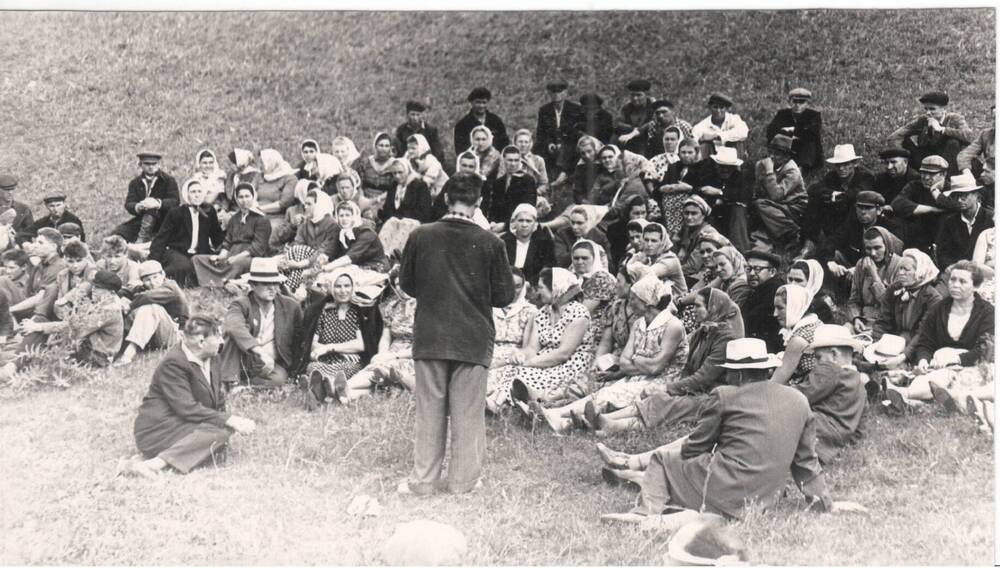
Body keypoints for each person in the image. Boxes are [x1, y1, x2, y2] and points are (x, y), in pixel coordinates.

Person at [599, 337, 835, 522]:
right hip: (764, 497)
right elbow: (806, 463)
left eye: (728, 372)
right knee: (684, 470)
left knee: (663, 459)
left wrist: (707, 452)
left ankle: (645, 514)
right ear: (765, 369)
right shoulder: (799, 400)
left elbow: (695, 447)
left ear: (737, 373)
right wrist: (826, 503)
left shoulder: (725, 395)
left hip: (726, 489)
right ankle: (651, 487)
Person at [397, 174, 516, 495]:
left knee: (429, 413)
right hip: (472, 339)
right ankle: (464, 483)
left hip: (431, 336)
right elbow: (505, 296)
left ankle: (422, 482)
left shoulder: (420, 235)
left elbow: (407, 285)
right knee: (467, 415)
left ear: (446, 199)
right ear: (478, 204)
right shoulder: (492, 243)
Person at [532, 274, 686, 434]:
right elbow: (625, 363)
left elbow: (656, 367)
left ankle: (558, 418)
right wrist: (640, 363)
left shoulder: (673, 325)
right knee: (601, 393)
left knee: (611, 394)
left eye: (634, 299)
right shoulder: (639, 323)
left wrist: (635, 359)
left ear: (646, 302)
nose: (630, 302)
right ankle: (558, 416)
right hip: (639, 376)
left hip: (664, 381)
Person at [587, 287, 743, 434]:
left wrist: (668, 388)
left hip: (715, 394)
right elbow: (687, 368)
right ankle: (605, 421)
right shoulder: (701, 333)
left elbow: (704, 377)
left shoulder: (725, 339)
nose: (693, 310)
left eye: (698, 306)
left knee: (671, 404)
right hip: (696, 389)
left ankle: (612, 424)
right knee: (660, 398)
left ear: (713, 309)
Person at [126, 316, 256, 480]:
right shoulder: (173, 363)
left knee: (220, 439)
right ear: (202, 342)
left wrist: (225, 423)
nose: (222, 341)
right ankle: (150, 465)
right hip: (158, 429)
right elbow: (186, 408)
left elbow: (218, 399)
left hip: (182, 423)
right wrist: (229, 420)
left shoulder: (214, 357)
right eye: (218, 336)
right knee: (219, 435)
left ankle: (146, 461)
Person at [885, 261, 995, 416]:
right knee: (934, 377)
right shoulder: (939, 308)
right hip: (939, 365)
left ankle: (905, 395)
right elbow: (925, 342)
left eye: (962, 281)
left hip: (971, 366)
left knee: (946, 377)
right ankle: (911, 401)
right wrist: (923, 359)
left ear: (975, 286)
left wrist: (956, 358)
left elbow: (984, 349)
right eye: (952, 279)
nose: (955, 285)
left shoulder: (988, 313)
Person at [499, 267, 593, 405]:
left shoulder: (578, 312)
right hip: (546, 360)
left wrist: (529, 363)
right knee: (513, 368)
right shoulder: (543, 312)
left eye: (541, 287)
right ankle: (499, 400)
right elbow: (532, 348)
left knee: (523, 372)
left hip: (570, 364)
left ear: (555, 287)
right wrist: (521, 356)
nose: (538, 292)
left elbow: (563, 353)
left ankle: (502, 401)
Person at [218, 258, 302, 389]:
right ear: (253, 285)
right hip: (245, 358)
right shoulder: (241, 304)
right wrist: (259, 352)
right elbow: (233, 325)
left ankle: (244, 387)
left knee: (279, 379)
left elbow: (300, 337)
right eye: (266, 283)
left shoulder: (290, 306)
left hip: (271, 363)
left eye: (275, 283)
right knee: (232, 335)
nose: (272, 288)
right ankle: (230, 381)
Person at [18, 270, 124, 368]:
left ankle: (18, 361)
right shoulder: (107, 301)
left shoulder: (109, 310)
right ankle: (20, 358)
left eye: (99, 288)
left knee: (40, 328)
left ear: (112, 292)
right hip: (90, 348)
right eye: (94, 286)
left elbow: (75, 329)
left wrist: (39, 327)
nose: (94, 290)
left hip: (97, 357)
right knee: (40, 329)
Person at [793, 324, 866, 464]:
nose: (815, 363)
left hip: (816, 429)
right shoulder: (860, 383)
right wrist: (851, 441)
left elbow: (800, 395)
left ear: (834, 354)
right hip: (835, 439)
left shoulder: (829, 370)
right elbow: (861, 425)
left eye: (818, 357)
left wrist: (781, 392)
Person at [301, 269, 369, 401]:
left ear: (353, 287)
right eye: (338, 286)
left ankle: (321, 389)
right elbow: (314, 344)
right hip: (326, 360)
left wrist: (328, 348)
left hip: (349, 361)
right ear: (332, 288)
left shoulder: (357, 312)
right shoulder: (325, 312)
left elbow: (360, 345)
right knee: (313, 367)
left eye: (347, 286)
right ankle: (326, 389)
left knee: (344, 370)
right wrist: (342, 349)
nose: (343, 291)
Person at [191, 182, 271, 288]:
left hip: (249, 257)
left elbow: (258, 247)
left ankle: (223, 283)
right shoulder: (234, 218)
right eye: (241, 197)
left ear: (253, 197)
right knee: (197, 259)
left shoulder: (262, 219)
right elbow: (228, 242)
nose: (244, 200)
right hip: (231, 255)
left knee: (238, 264)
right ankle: (217, 281)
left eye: (247, 196)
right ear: (236, 199)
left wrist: (236, 258)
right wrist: (220, 257)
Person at [800, 144, 875, 254]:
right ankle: (809, 243)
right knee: (815, 201)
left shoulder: (865, 176)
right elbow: (814, 189)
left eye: (845, 164)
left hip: (855, 219)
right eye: (838, 165)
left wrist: (839, 197)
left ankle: (838, 245)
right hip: (834, 217)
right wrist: (832, 193)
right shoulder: (832, 176)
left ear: (854, 164)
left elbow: (859, 193)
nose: (841, 168)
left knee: (856, 205)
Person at [149, 180, 224, 288]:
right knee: (184, 267)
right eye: (193, 192)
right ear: (187, 195)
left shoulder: (209, 211)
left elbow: (217, 236)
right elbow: (161, 239)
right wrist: (152, 262)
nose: (197, 195)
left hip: (199, 253)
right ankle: (162, 278)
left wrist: (222, 253)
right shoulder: (176, 212)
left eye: (199, 191)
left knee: (215, 265)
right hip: (177, 251)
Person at [116, 260, 189, 366]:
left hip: (174, 335)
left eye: (155, 277)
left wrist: (130, 305)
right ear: (142, 281)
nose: (152, 282)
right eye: (147, 280)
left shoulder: (170, 287)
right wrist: (121, 299)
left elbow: (146, 297)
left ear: (163, 274)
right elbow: (125, 291)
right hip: (154, 337)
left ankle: (128, 354)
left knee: (151, 307)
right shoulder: (145, 288)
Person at [484, 269, 538, 412]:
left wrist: (515, 356)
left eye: (518, 286)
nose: (513, 290)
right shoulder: (487, 307)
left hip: (511, 357)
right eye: (508, 285)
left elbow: (527, 347)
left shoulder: (530, 311)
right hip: (487, 351)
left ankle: (492, 402)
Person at [820, 190, 905, 276]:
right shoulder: (853, 224)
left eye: (868, 208)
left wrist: (859, 269)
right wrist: (830, 261)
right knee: (832, 257)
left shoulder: (891, 227)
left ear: (878, 210)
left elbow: (892, 257)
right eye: (860, 207)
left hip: (879, 272)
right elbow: (831, 241)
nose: (863, 212)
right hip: (852, 268)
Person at [888, 91, 973, 174]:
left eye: (932, 109)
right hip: (925, 159)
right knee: (905, 141)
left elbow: (969, 136)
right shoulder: (923, 120)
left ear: (943, 109)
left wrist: (943, 129)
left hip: (948, 160)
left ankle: (946, 179)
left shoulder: (955, 119)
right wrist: (899, 157)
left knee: (953, 143)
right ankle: (912, 174)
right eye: (926, 109)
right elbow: (895, 136)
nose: (928, 113)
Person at [890, 155, 961, 253]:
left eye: (932, 174)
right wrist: (932, 210)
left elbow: (956, 206)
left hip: (944, 239)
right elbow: (897, 203)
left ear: (943, 174)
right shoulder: (915, 186)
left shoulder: (952, 189)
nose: (926, 177)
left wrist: (934, 191)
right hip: (919, 237)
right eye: (923, 173)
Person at [872, 248, 943, 343]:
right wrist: (876, 343)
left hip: (916, 345)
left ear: (920, 273)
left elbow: (922, 334)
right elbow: (883, 322)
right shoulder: (894, 289)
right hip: (892, 339)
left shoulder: (933, 299)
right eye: (900, 268)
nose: (900, 273)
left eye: (906, 270)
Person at [753, 134, 807, 251]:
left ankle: (791, 232)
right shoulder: (763, 164)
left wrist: (769, 172)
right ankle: (775, 233)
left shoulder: (792, 170)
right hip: (776, 204)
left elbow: (776, 195)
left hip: (795, 206)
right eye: (770, 152)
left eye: (777, 154)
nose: (771, 157)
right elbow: (758, 190)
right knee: (757, 204)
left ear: (786, 156)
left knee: (760, 204)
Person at [846, 227, 905, 334]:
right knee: (842, 332)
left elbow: (889, 305)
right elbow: (854, 300)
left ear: (887, 246)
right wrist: (856, 318)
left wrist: (874, 275)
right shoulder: (861, 264)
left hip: (886, 323)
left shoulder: (899, 266)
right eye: (868, 248)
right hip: (863, 320)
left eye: (877, 248)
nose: (873, 253)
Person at [113, 151, 178, 244]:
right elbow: (129, 203)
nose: (151, 167)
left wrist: (158, 203)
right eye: (147, 164)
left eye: (154, 164)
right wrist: (138, 206)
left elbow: (175, 201)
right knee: (119, 232)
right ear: (140, 164)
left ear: (159, 165)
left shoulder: (168, 181)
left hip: (163, 220)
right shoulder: (135, 183)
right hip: (141, 219)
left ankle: (141, 241)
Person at [935, 172, 994, 271]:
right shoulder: (950, 222)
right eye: (955, 196)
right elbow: (943, 253)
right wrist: (949, 267)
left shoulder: (991, 218)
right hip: (957, 272)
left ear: (976, 195)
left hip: (985, 272)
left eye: (964, 195)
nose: (959, 200)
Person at [695, 147, 751, 252]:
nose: (724, 170)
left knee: (738, 209)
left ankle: (740, 252)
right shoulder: (709, 176)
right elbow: (698, 189)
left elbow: (744, 195)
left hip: (732, 216)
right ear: (716, 165)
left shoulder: (740, 177)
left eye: (728, 167)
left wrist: (718, 192)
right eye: (721, 166)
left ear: (734, 167)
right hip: (712, 214)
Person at [651, 138, 704, 236]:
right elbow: (659, 189)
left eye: (690, 152)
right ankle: (671, 233)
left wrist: (688, 188)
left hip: (693, 203)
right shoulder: (674, 166)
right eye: (683, 152)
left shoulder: (702, 167)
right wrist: (665, 188)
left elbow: (704, 190)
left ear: (696, 153)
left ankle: (677, 234)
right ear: (679, 153)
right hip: (670, 205)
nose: (686, 155)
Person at [771, 284, 822, 385]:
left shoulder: (799, 339)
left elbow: (778, 380)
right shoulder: (814, 322)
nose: (775, 314)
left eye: (780, 308)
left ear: (794, 307)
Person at [10, 229, 67, 320]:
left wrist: (10, 309)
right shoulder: (40, 264)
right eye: (35, 242)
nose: (35, 246)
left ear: (53, 246)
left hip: (41, 313)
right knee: (4, 282)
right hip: (28, 306)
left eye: (40, 243)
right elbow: (26, 292)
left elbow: (40, 298)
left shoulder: (58, 267)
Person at [765, 87, 824, 173]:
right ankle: (779, 166)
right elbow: (771, 132)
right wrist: (797, 134)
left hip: (805, 153)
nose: (797, 105)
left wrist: (786, 131)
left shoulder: (813, 115)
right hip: (787, 148)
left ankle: (801, 169)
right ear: (790, 102)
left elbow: (811, 134)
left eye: (801, 102)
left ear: (807, 103)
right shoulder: (782, 114)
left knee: (809, 143)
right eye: (795, 101)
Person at [534, 80, 583, 179]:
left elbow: (578, 130)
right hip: (552, 143)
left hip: (569, 142)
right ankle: (541, 176)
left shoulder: (575, 109)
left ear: (565, 93)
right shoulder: (544, 110)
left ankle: (564, 175)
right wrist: (549, 143)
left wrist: (563, 142)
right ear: (549, 94)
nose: (556, 95)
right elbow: (541, 132)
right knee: (536, 148)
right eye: (553, 92)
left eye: (559, 92)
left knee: (571, 148)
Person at [321, 201, 388, 273]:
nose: (344, 219)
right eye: (341, 215)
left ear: (354, 216)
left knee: (338, 274)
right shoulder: (341, 232)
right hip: (356, 266)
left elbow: (350, 257)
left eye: (348, 215)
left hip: (376, 267)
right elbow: (330, 250)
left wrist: (326, 268)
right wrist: (321, 260)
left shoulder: (366, 233)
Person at [674, 196, 725, 286]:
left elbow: (693, 266)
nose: (689, 217)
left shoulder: (707, 233)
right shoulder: (688, 228)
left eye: (694, 213)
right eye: (686, 213)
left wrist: (670, 271)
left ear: (703, 215)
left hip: (710, 274)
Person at [254, 149, 299, 247]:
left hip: (277, 216)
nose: (260, 165)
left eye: (262, 162)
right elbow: (251, 193)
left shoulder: (290, 178)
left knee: (269, 229)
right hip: (256, 212)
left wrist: (259, 209)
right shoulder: (260, 176)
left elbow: (283, 204)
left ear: (271, 163)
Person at [485, 146, 539, 227]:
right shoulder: (498, 182)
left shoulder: (528, 181)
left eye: (516, 160)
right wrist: (492, 221)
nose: (513, 164)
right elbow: (494, 207)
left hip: (519, 225)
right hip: (497, 225)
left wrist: (505, 225)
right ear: (503, 160)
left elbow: (527, 209)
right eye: (510, 160)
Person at [501, 203, 554, 285]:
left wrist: (531, 283)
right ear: (514, 222)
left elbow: (547, 270)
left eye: (528, 221)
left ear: (535, 224)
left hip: (532, 286)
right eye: (520, 220)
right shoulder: (503, 242)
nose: (524, 225)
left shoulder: (544, 243)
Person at [743, 250, 784, 351]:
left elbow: (750, 320)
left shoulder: (775, 290)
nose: (752, 273)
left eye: (757, 269)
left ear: (772, 272)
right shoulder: (759, 289)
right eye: (749, 269)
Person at [690, 92, 749, 158]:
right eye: (715, 107)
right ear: (710, 107)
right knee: (705, 146)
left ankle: (736, 168)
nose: (718, 110)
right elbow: (693, 143)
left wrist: (716, 136)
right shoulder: (701, 126)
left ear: (726, 109)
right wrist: (702, 141)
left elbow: (744, 132)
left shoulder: (734, 119)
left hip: (732, 159)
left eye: (721, 107)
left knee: (738, 142)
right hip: (712, 159)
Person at [453, 87, 510, 155]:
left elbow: (504, 143)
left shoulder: (496, 121)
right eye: (478, 102)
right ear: (472, 102)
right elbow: (461, 150)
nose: (481, 106)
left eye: (484, 102)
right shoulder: (462, 125)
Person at [957, 105, 995, 204]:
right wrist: (967, 173)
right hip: (988, 174)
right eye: (994, 118)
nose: (996, 122)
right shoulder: (986, 134)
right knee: (972, 163)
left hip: (993, 173)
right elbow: (965, 154)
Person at [380, 158, 434, 224]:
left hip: (414, 224)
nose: (397, 176)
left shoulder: (419, 186)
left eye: (400, 172)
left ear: (408, 170)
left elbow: (424, 212)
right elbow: (387, 209)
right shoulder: (393, 186)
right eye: (394, 173)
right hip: (393, 223)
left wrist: (400, 219)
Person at [614, 79, 657, 156]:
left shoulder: (654, 106)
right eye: (632, 95)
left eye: (639, 95)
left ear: (646, 94)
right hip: (630, 139)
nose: (635, 98)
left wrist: (634, 133)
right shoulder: (627, 107)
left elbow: (653, 122)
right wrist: (632, 128)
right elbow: (618, 123)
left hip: (648, 140)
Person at [356, 132, 399, 199]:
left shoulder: (394, 164)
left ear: (390, 148)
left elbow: (395, 187)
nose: (384, 149)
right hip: (365, 199)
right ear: (375, 146)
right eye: (381, 145)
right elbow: (359, 184)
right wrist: (363, 199)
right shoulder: (366, 162)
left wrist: (377, 200)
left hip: (386, 200)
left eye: (387, 146)